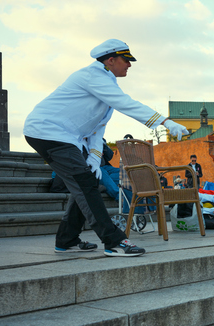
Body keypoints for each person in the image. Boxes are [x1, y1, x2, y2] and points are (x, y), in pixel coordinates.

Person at [23, 39, 188, 257]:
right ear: (111, 60)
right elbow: (126, 104)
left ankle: (66, 240)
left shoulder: (106, 82)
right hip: (47, 132)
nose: (129, 65)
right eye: (126, 60)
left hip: (67, 137)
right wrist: (165, 122)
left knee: (86, 182)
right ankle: (114, 242)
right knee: (85, 184)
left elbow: (97, 127)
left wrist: (94, 156)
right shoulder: (93, 76)